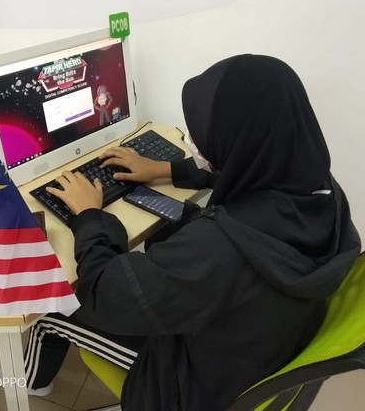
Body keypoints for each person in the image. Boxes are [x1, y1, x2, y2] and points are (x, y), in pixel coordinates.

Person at [24, 54, 361, 410]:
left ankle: (30, 384)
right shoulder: (320, 187)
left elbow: (105, 295)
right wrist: (166, 169)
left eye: (203, 141)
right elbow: (245, 170)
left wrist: (90, 217)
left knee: (51, 309)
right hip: (257, 342)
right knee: (168, 230)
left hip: (187, 385)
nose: (195, 145)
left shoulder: (219, 249)